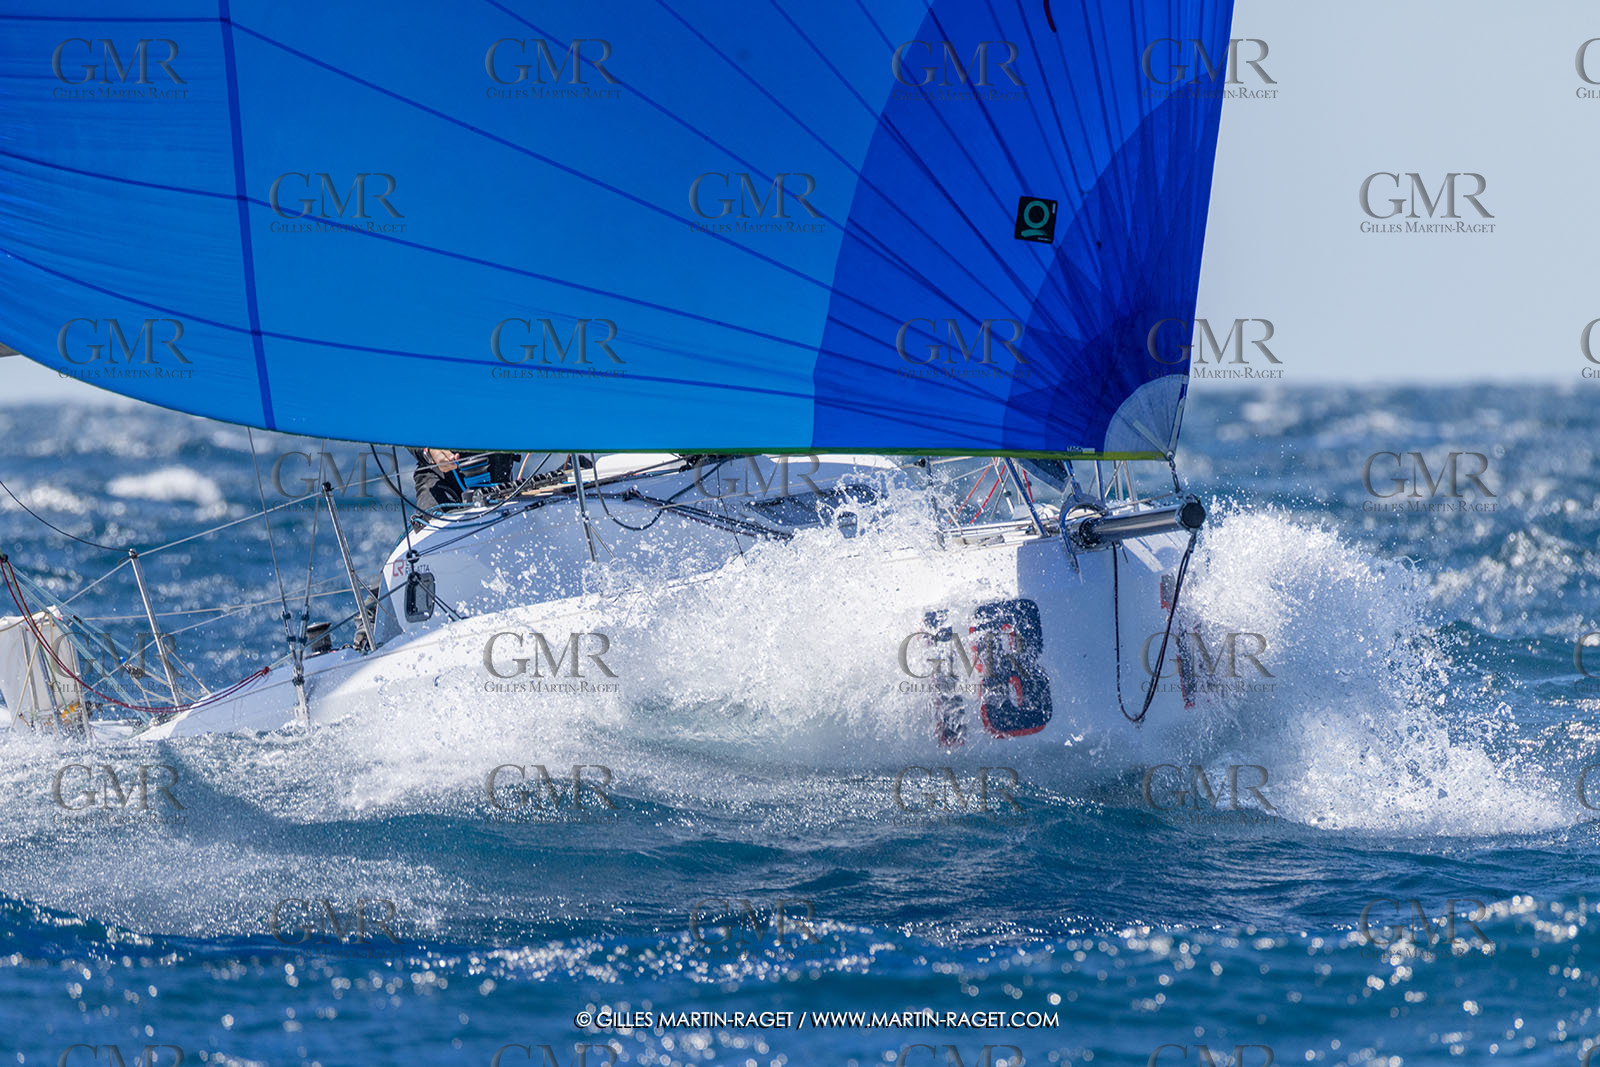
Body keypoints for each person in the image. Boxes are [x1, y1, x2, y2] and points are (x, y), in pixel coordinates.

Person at [409, 448, 519, 516]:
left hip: (497, 479)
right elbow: (406, 423)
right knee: (434, 530)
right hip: (438, 478)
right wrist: (430, 451)